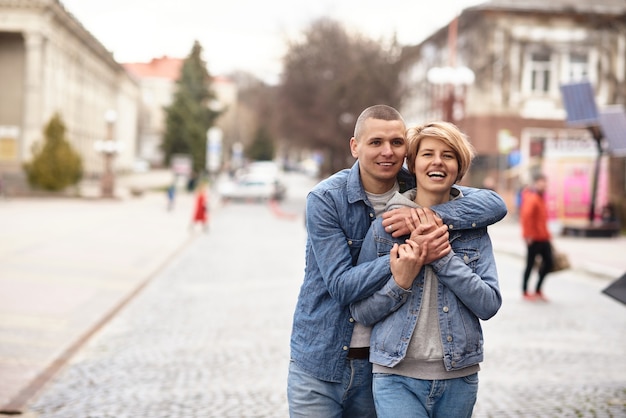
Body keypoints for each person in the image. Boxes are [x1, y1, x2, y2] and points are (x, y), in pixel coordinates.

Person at [287, 105, 508, 418]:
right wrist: (406, 257)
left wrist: (426, 217)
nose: (386, 152)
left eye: (396, 142)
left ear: (406, 151)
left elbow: (494, 204)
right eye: (376, 142)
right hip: (321, 360)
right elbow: (341, 286)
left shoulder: (418, 183)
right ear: (355, 146)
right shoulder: (327, 199)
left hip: (379, 364)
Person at [350, 121, 501, 418]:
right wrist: (400, 283)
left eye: (448, 155)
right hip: (395, 376)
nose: (437, 162)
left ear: (459, 166)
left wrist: (442, 259)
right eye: (427, 154)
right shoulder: (386, 226)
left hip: (459, 376)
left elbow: (489, 304)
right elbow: (362, 312)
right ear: (413, 164)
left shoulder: (474, 230)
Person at [520, 173, 552, 301]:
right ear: (535, 184)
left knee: (549, 262)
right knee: (530, 264)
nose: (543, 185)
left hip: (544, 236)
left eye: (544, 182)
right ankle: (525, 291)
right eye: (540, 182)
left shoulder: (541, 197)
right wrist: (527, 235)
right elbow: (526, 218)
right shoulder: (532, 198)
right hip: (533, 238)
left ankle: (538, 289)